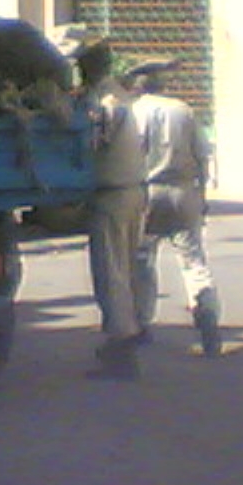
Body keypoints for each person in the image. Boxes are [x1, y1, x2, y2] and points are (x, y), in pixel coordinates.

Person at [128, 58, 222, 358]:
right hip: (183, 190)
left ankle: (141, 322)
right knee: (193, 259)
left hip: (146, 191)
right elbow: (202, 155)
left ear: (138, 84)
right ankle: (205, 309)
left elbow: (129, 155)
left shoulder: (134, 112)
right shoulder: (182, 110)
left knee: (142, 259)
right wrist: (202, 195)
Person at [78, 38, 146, 380]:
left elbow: (91, 141)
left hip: (113, 194)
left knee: (111, 271)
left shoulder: (105, 101)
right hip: (131, 191)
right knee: (125, 268)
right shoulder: (118, 96)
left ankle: (121, 343)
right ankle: (129, 331)